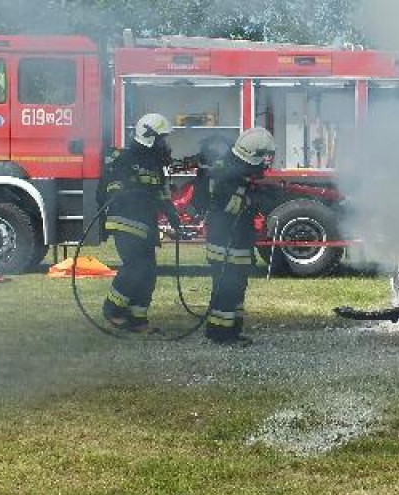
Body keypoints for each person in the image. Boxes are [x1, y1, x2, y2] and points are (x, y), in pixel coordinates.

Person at [100, 113, 181, 331]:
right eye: (162, 139)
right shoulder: (126, 158)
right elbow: (113, 187)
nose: (165, 144)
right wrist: (131, 191)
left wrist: (172, 215)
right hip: (126, 221)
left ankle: (137, 319)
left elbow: (161, 193)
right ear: (149, 137)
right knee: (136, 267)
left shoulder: (154, 163)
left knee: (148, 271)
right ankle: (113, 309)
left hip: (145, 223)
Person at [194, 128, 276, 344]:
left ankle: (227, 331)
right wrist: (254, 199)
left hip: (229, 239)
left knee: (233, 287)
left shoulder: (232, 168)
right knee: (228, 288)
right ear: (253, 154)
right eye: (264, 156)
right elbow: (231, 207)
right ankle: (222, 335)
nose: (266, 162)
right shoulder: (233, 175)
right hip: (228, 242)